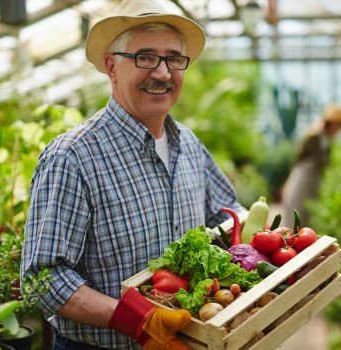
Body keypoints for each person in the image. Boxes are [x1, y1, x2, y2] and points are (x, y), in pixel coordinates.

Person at [20, 1, 245, 349]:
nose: (162, 73)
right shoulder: (74, 156)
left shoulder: (188, 143)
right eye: (145, 57)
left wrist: (274, 253)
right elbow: (43, 278)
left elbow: (228, 214)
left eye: (174, 58)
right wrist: (140, 322)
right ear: (112, 66)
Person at [281, 102, 341, 228]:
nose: (340, 128)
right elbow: (318, 160)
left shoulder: (327, 138)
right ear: (332, 123)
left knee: (308, 217)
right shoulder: (315, 136)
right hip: (303, 177)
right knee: (297, 212)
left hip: (314, 180)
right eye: (340, 124)